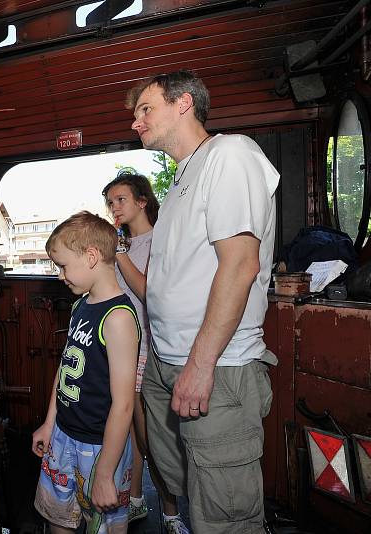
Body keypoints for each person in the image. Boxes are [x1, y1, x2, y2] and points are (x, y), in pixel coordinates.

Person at [127, 69, 278, 533]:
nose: (136, 123)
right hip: (166, 363)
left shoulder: (229, 155)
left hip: (216, 365)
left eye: (145, 109)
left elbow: (240, 266)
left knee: (226, 513)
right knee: (187, 485)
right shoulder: (178, 183)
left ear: (184, 103)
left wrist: (200, 364)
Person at [31, 211, 140, 534]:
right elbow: (65, 367)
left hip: (99, 448)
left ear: (91, 257)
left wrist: (105, 473)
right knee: (57, 520)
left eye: (63, 265)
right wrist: (50, 423)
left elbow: (123, 405)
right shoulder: (81, 306)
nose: (60, 275)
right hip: (63, 436)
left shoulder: (117, 318)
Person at [103, 172, 189, 534]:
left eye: (120, 200)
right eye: (109, 203)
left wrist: (119, 253)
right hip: (121, 345)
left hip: (150, 347)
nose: (114, 208)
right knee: (130, 430)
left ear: (142, 201)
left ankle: (170, 512)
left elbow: (147, 291)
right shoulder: (116, 245)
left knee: (149, 433)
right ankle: (136, 498)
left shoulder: (160, 239)